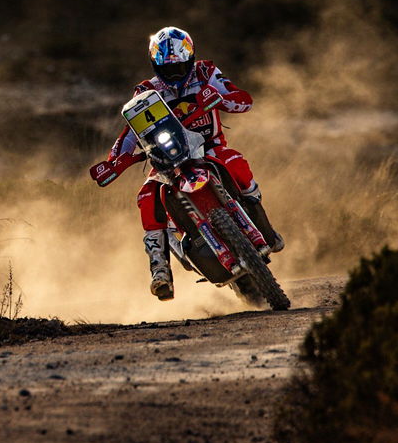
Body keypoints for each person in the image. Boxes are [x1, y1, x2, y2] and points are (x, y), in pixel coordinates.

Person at [108, 26, 283, 301]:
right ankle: (160, 272)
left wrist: (221, 97)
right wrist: (113, 160)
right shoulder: (147, 92)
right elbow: (129, 132)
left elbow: (244, 100)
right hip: (167, 162)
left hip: (208, 148)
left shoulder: (206, 74)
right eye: (168, 69)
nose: (175, 74)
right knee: (146, 196)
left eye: (180, 66)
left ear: (190, 59)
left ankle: (264, 226)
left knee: (235, 161)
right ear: (156, 65)